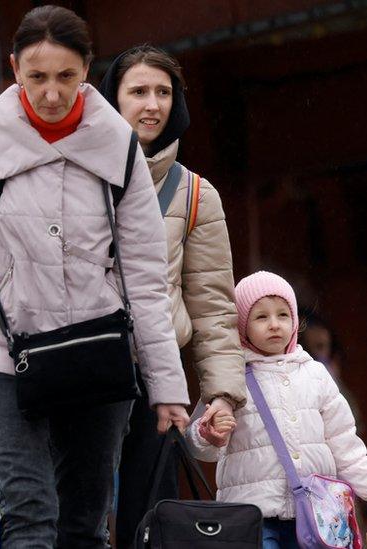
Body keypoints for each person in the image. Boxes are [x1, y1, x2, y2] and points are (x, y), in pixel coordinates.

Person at [0, 6, 190, 547]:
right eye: (37, 77)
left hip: (97, 356)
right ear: (15, 70)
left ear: (86, 69)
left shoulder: (118, 147)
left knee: (84, 524)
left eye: (65, 76)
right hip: (1, 358)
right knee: (28, 516)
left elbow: (146, 278)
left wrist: (167, 388)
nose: (52, 93)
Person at [100, 45, 246, 548]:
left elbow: (213, 307)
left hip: (156, 379)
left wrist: (222, 393)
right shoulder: (78, 175)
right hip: (83, 369)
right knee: (78, 514)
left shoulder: (195, 195)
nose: (152, 104)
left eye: (163, 92)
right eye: (138, 91)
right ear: (111, 100)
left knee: (150, 523)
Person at [185, 271, 367, 549]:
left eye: (283, 315)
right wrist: (209, 434)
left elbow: (345, 445)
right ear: (241, 324)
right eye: (261, 317)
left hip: (317, 515)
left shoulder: (316, 375)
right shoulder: (230, 376)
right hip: (253, 514)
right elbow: (201, 446)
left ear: (295, 321)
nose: (274, 325)